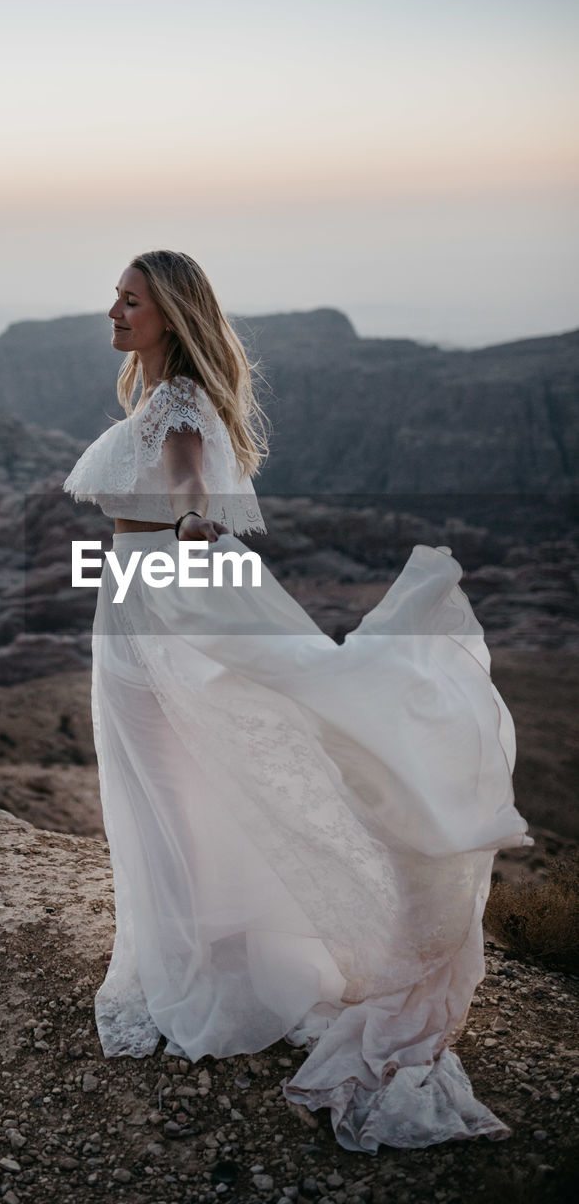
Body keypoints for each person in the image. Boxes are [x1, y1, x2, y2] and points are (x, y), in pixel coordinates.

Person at [62, 249, 533, 1155]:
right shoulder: (154, 394)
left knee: (165, 786)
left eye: (131, 302)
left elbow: (195, 490)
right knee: (156, 783)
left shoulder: (184, 404)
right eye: (117, 298)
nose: (114, 312)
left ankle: (201, 969)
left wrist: (194, 532)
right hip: (130, 597)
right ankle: (191, 949)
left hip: (154, 599)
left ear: (171, 315)